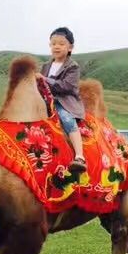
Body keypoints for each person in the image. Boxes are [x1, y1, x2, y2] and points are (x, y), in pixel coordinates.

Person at [41, 27, 87, 172]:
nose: (56, 46)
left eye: (61, 43)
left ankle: (80, 156)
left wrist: (45, 80)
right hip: (45, 101)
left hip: (64, 101)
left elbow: (67, 86)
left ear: (70, 47)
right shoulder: (45, 66)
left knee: (66, 118)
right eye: (53, 43)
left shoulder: (73, 67)